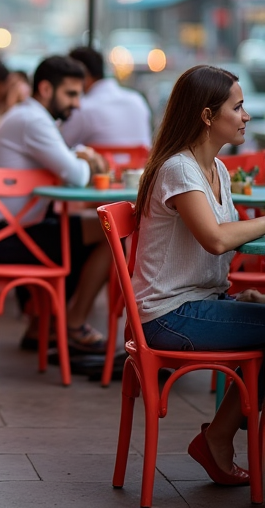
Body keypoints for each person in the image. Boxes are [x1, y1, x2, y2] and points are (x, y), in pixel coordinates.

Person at [133, 65, 265, 487]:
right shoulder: (179, 169)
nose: (246, 116)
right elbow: (215, 239)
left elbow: (224, 242)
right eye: (238, 107)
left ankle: (220, 437)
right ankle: (220, 439)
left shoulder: (219, 171)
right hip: (170, 315)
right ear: (208, 116)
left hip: (199, 304)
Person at [0, 55, 112, 353]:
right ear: (44, 89)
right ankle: (73, 324)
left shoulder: (29, 117)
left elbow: (65, 157)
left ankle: (41, 327)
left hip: (7, 231)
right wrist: (88, 159)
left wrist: (79, 155)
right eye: (71, 94)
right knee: (110, 233)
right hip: (6, 237)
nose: (78, 104)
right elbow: (77, 176)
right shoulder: (33, 121)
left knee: (73, 231)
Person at [59, 46, 153, 149]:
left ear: (83, 73)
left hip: (100, 165)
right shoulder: (137, 101)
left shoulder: (83, 109)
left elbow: (60, 146)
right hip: (141, 165)